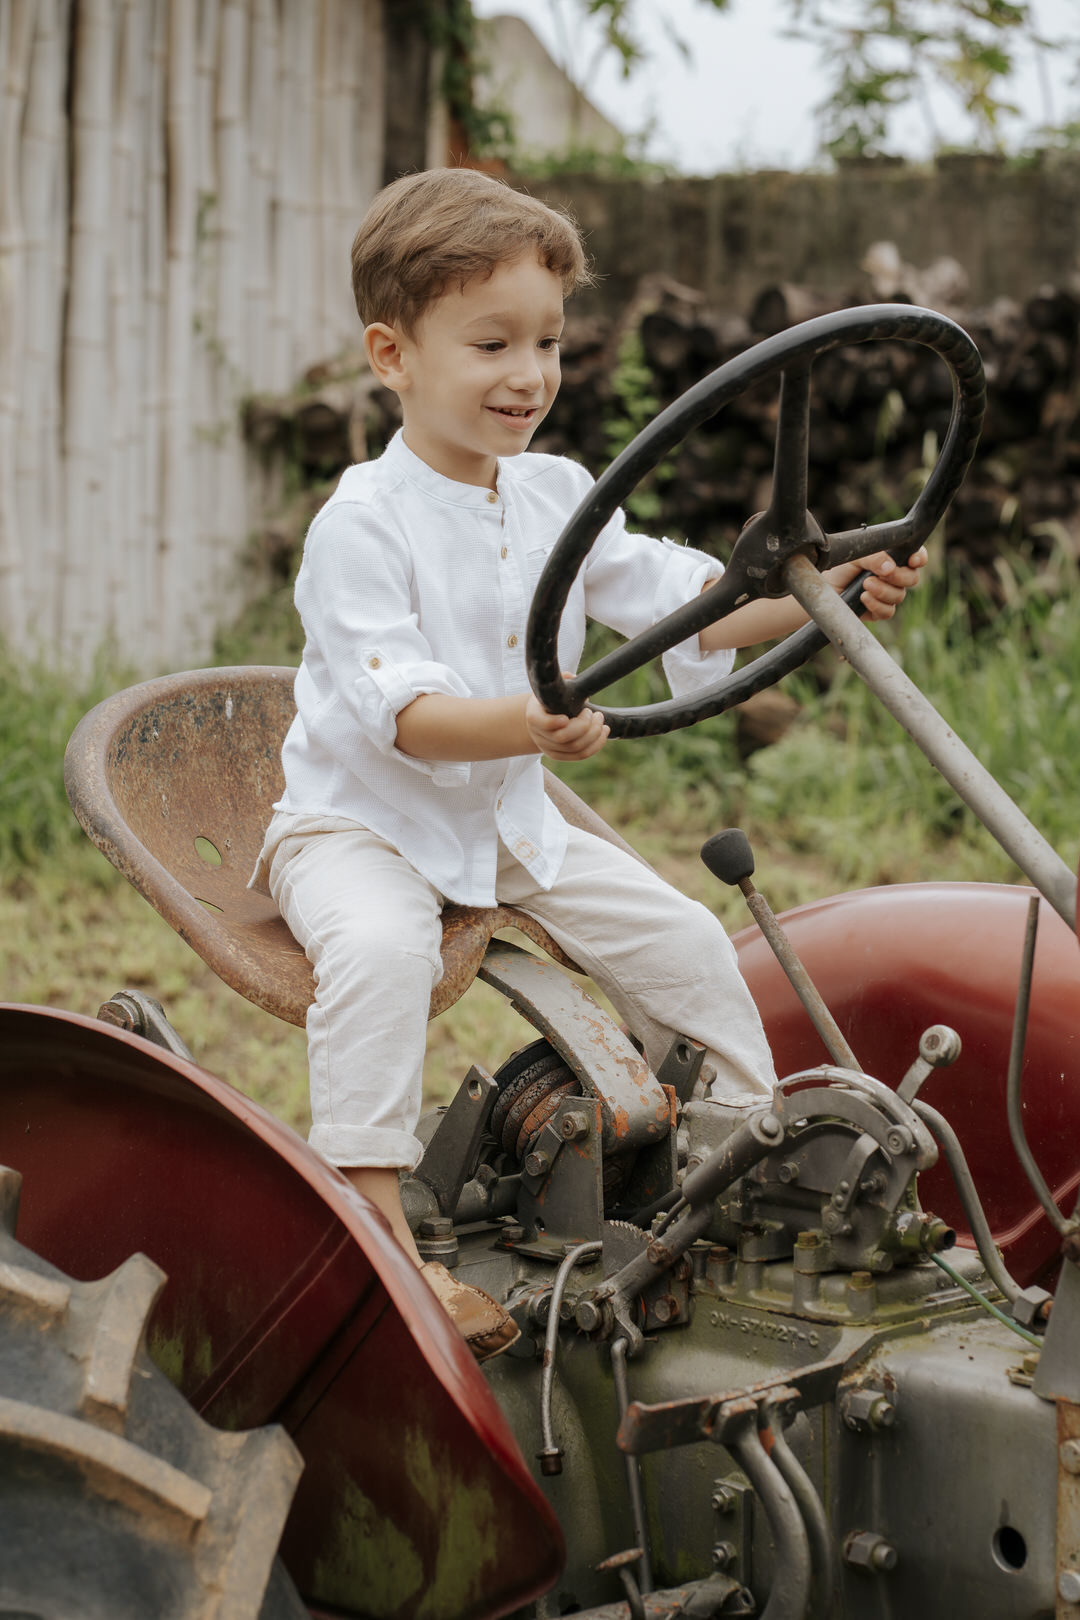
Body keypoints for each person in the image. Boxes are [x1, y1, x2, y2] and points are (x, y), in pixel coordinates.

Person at [252, 167, 926, 1360]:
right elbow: (404, 715)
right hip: (363, 831)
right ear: (392, 354)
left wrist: (833, 599)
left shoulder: (560, 492)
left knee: (684, 944)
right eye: (492, 343)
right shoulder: (363, 523)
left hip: (508, 830)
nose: (530, 374)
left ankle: (744, 1161)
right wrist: (531, 722)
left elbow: (693, 608)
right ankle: (371, 1216)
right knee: (382, 949)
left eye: (550, 342)